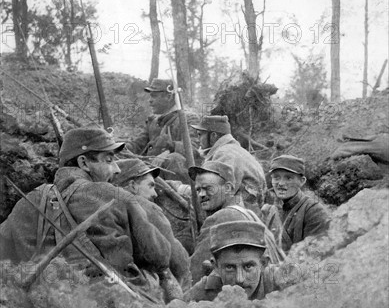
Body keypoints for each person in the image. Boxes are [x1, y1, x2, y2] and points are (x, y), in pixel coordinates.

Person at [0, 128, 172, 290]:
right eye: (109, 160)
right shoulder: (113, 195)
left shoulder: (29, 200)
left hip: (45, 307)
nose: (118, 169)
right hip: (114, 304)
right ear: (84, 163)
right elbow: (159, 255)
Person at [188, 161, 284, 284]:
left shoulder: (222, 217)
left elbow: (195, 272)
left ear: (228, 188)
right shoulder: (248, 213)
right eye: (198, 190)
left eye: (208, 189)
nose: (201, 194)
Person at [113, 158, 190, 290]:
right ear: (132, 186)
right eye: (150, 185)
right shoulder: (147, 207)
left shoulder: (108, 205)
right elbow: (177, 261)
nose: (154, 194)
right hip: (147, 287)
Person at [125, 78, 200, 183]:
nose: (150, 100)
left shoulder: (188, 119)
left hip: (176, 174)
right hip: (152, 171)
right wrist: (119, 149)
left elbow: (193, 149)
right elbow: (137, 143)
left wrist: (170, 149)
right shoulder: (153, 121)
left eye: (154, 96)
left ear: (169, 97)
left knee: (173, 158)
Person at [186, 221, 279, 302]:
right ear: (216, 266)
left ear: (263, 263)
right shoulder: (207, 289)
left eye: (248, 266)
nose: (240, 279)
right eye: (229, 267)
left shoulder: (278, 281)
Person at [190, 115, 267, 211]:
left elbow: (217, 193)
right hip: (246, 207)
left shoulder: (225, 153)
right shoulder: (232, 150)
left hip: (241, 211)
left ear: (213, 136)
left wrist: (182, 190)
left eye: (200, 134)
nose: (198, 139)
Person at [269, 155, 331, 253]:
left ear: (302, 181)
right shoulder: (269, 212)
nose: (280, 183)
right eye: (276, 178)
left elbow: (315, 253)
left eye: (288, 178)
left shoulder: (314, 211)